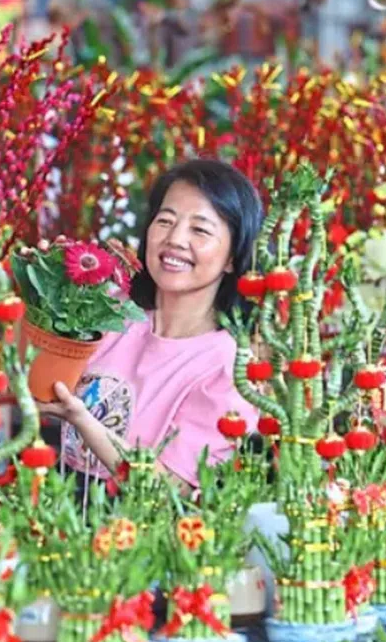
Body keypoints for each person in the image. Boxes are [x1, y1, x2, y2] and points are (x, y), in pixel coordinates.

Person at [36, 159, 262, 491]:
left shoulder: (229, 369)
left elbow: (171, 486)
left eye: (200, 230)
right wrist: (43, 284)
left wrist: (83, 421)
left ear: (232, 257)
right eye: (165, 221)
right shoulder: (112, 312)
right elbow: (29, 378)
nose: (175, 239)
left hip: (137, 532)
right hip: (58, 502)